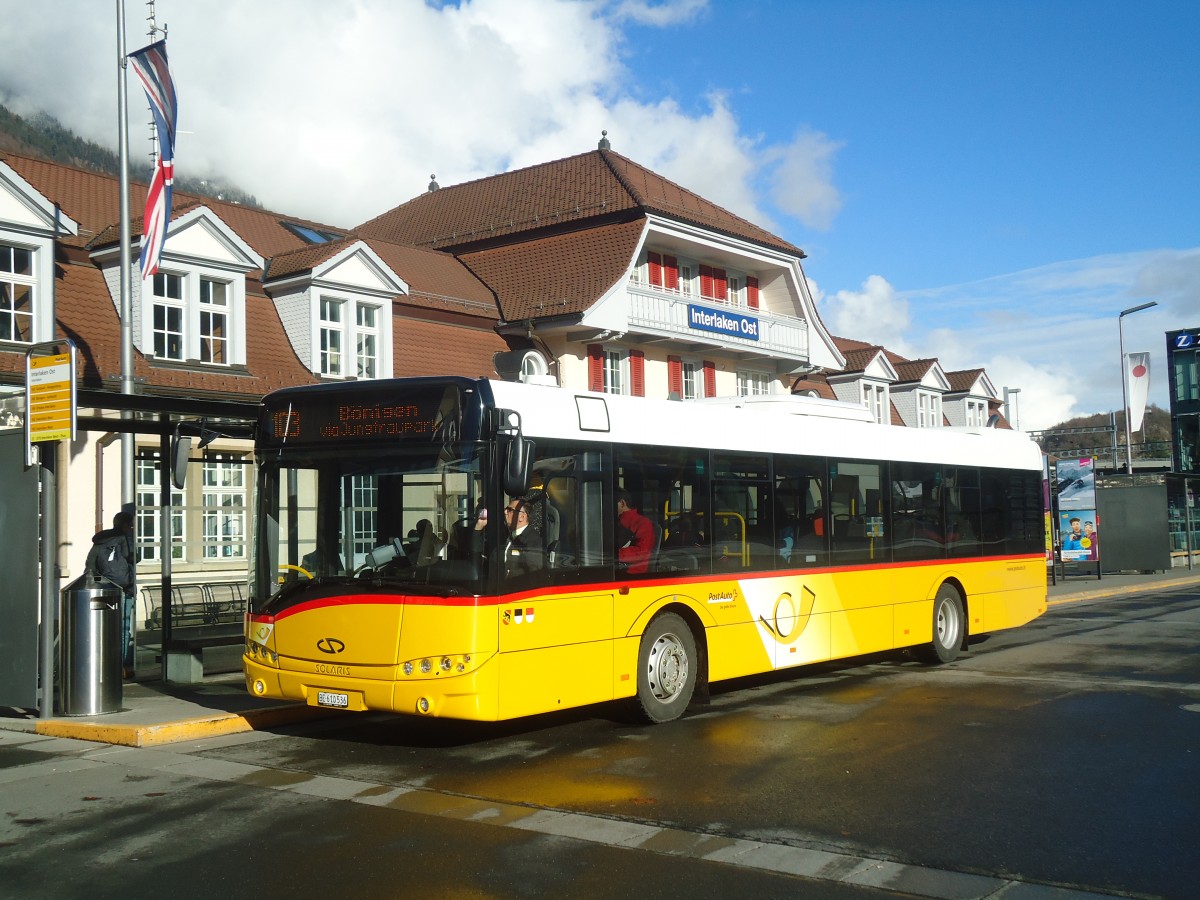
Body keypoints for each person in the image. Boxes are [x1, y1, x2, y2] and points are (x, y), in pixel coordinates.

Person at [85, 510, 137, 678]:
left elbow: (90, 565)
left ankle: (104, 665)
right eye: (130, 524)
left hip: (106, 591)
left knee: (104, 629)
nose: (132, 527)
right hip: (125, 590)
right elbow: (135, 558)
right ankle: (119, 666)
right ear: (124, 525)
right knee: (123, 628)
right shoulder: (125, 539)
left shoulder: (99, 540)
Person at [616, 489, 655, 574]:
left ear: (622, 503)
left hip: (631, 575)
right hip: (613, 569)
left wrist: (613, 554)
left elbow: (641, 552)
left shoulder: (643, 523)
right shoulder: (613, 521)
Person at [502, 497, 544, 577]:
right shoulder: (505, 534)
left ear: (522, 517)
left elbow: (534, 574)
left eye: (509, 510)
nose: (505, 512)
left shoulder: (533, 540)